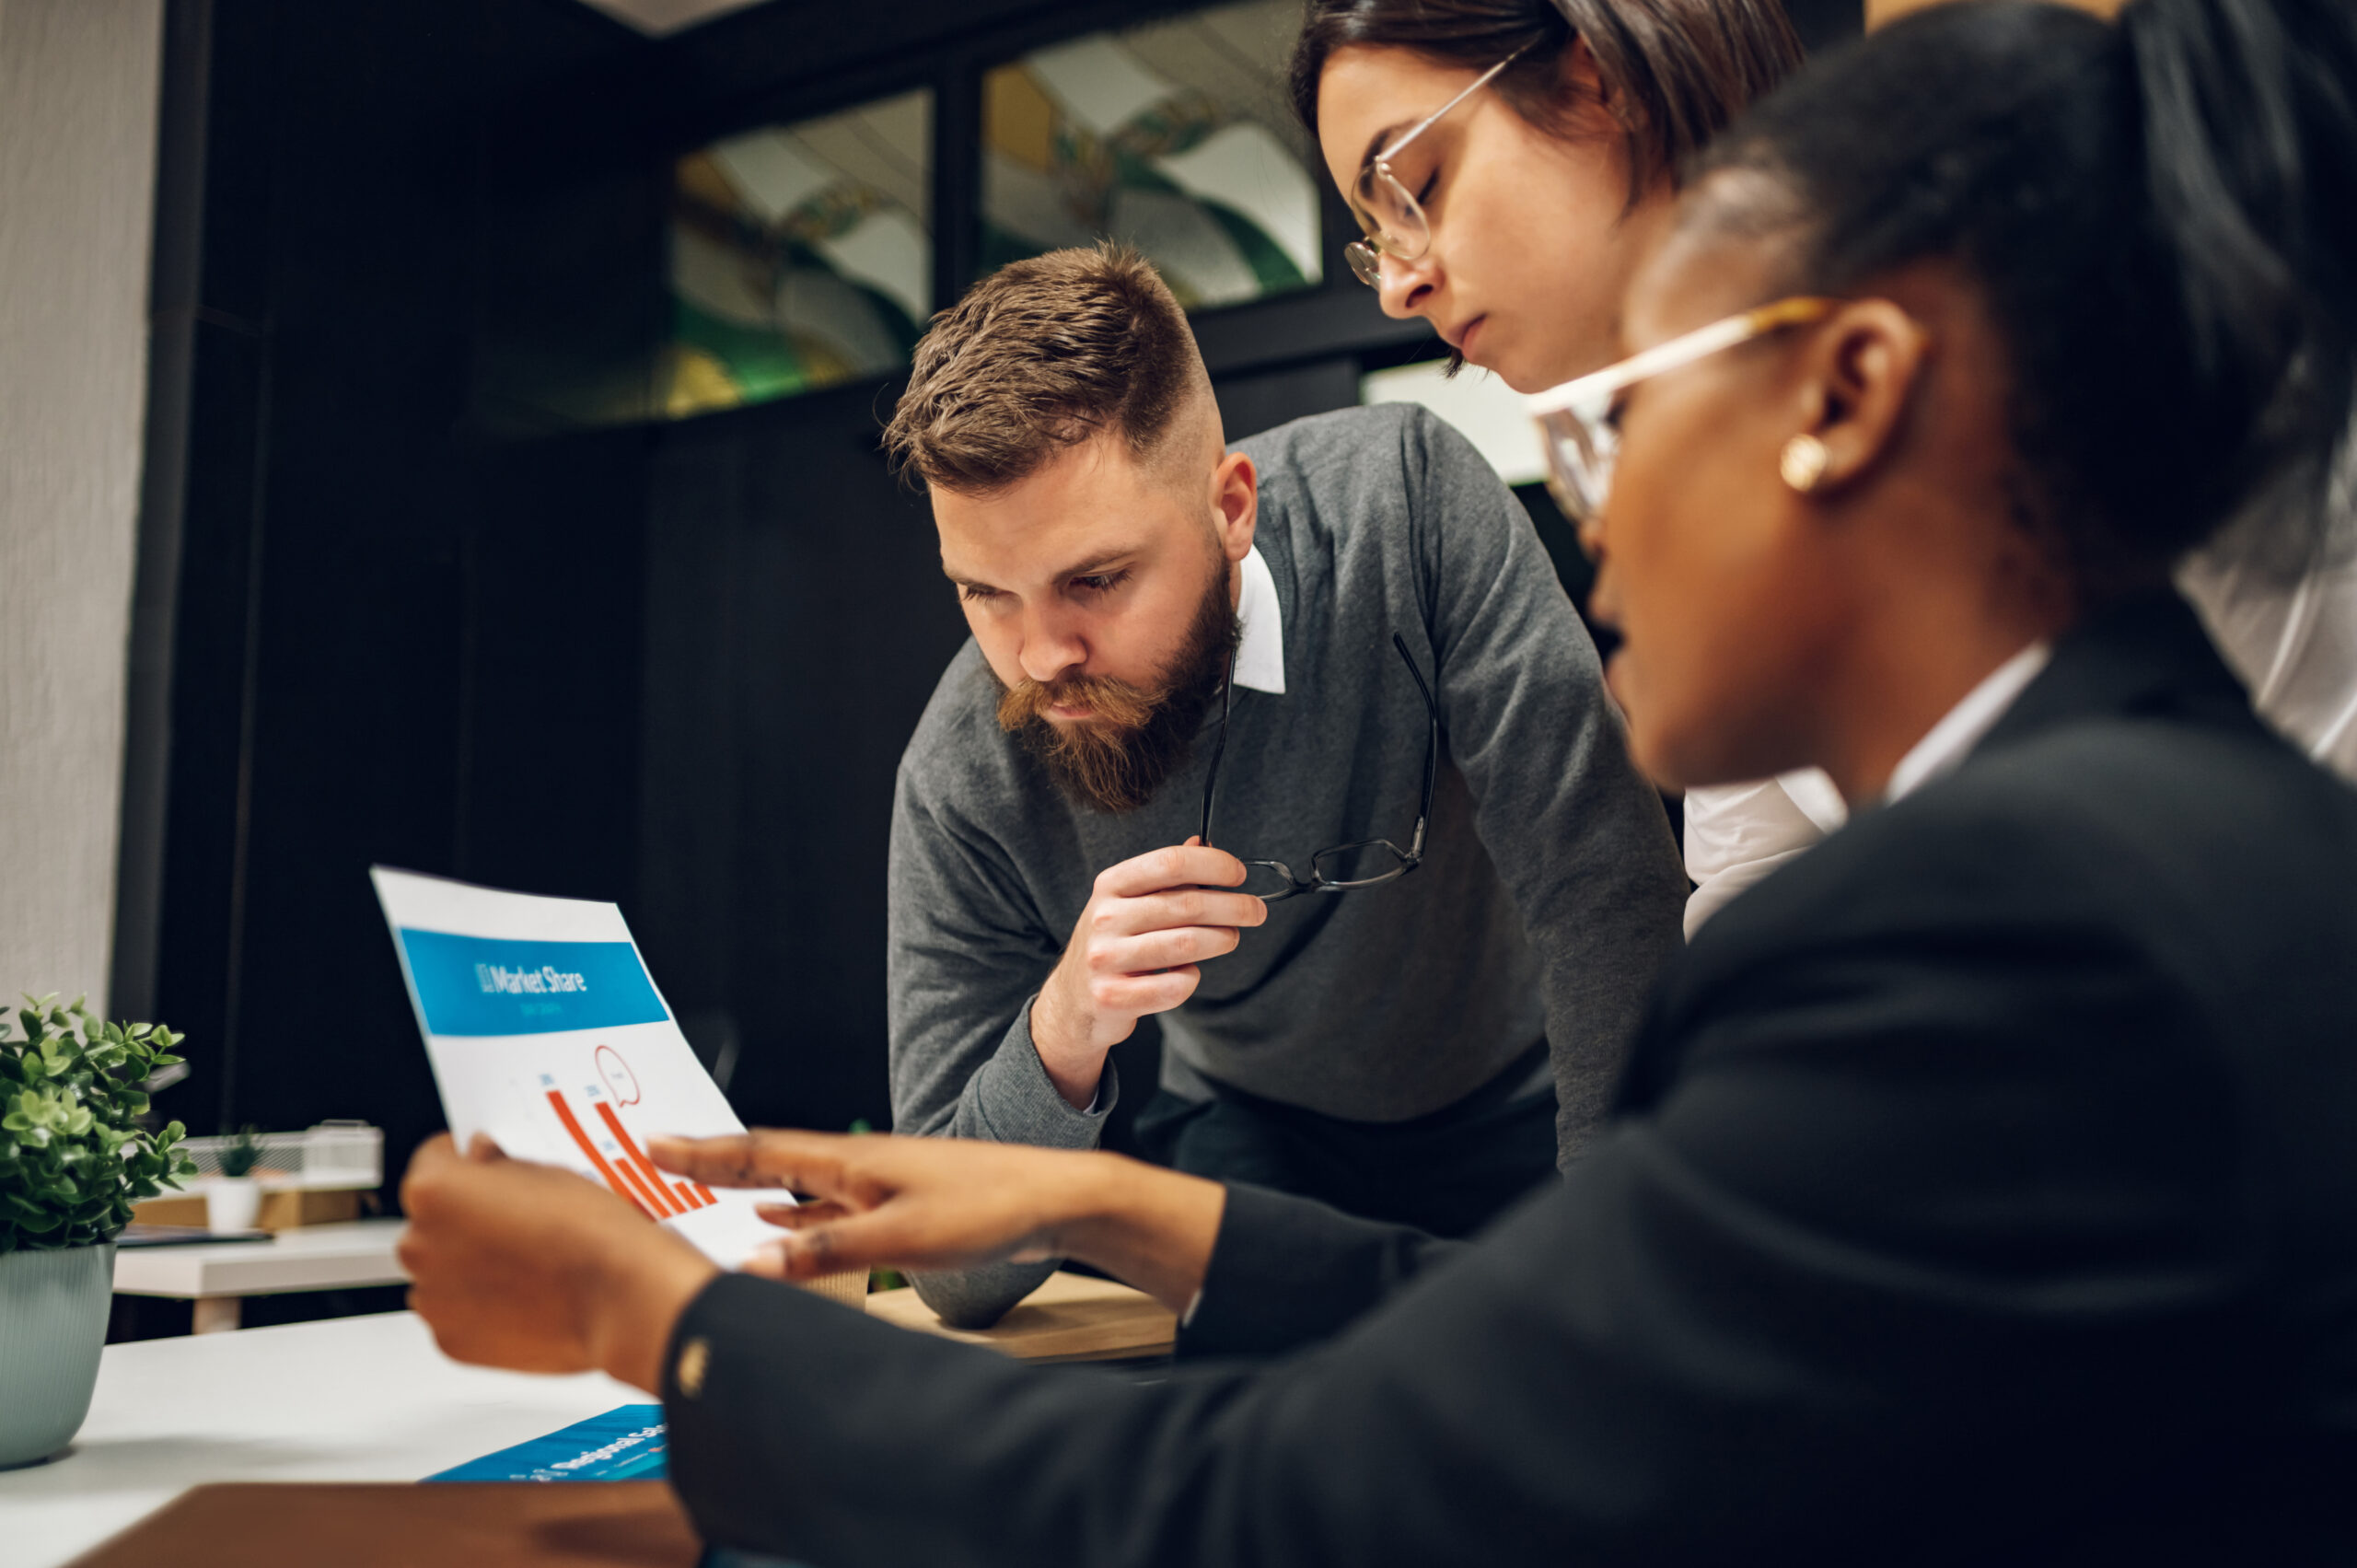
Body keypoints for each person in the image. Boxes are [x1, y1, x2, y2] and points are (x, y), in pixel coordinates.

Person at [397, 0, 2357, 1559]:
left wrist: (658, 1318)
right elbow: (1613, 1346)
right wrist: (1113, 1187)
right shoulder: (2169, 839)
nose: (1589, 542)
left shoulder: (1975, 941)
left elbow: (1298, 1495)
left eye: (1609, 422)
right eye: (985, 594)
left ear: (1839, 394)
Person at [1299, 0, 2357, 936]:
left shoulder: (2069, 342)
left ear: (1598, 75)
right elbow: (1743, 896)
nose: (1398, 283)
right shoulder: (1729, 545)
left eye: (1412, 186)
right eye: (1370, 238)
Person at [880, 243, 1687, 1325]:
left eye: (1096, 580)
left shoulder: (1402, 505)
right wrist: (1066, 1022)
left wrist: (1623, 1250)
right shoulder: (961, 774)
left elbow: (1600, 878)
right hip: (1248, 1126)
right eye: (985, 593)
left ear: (1230, 506)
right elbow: (952, 1272)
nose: (1039, 655)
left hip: (1523, 1092)